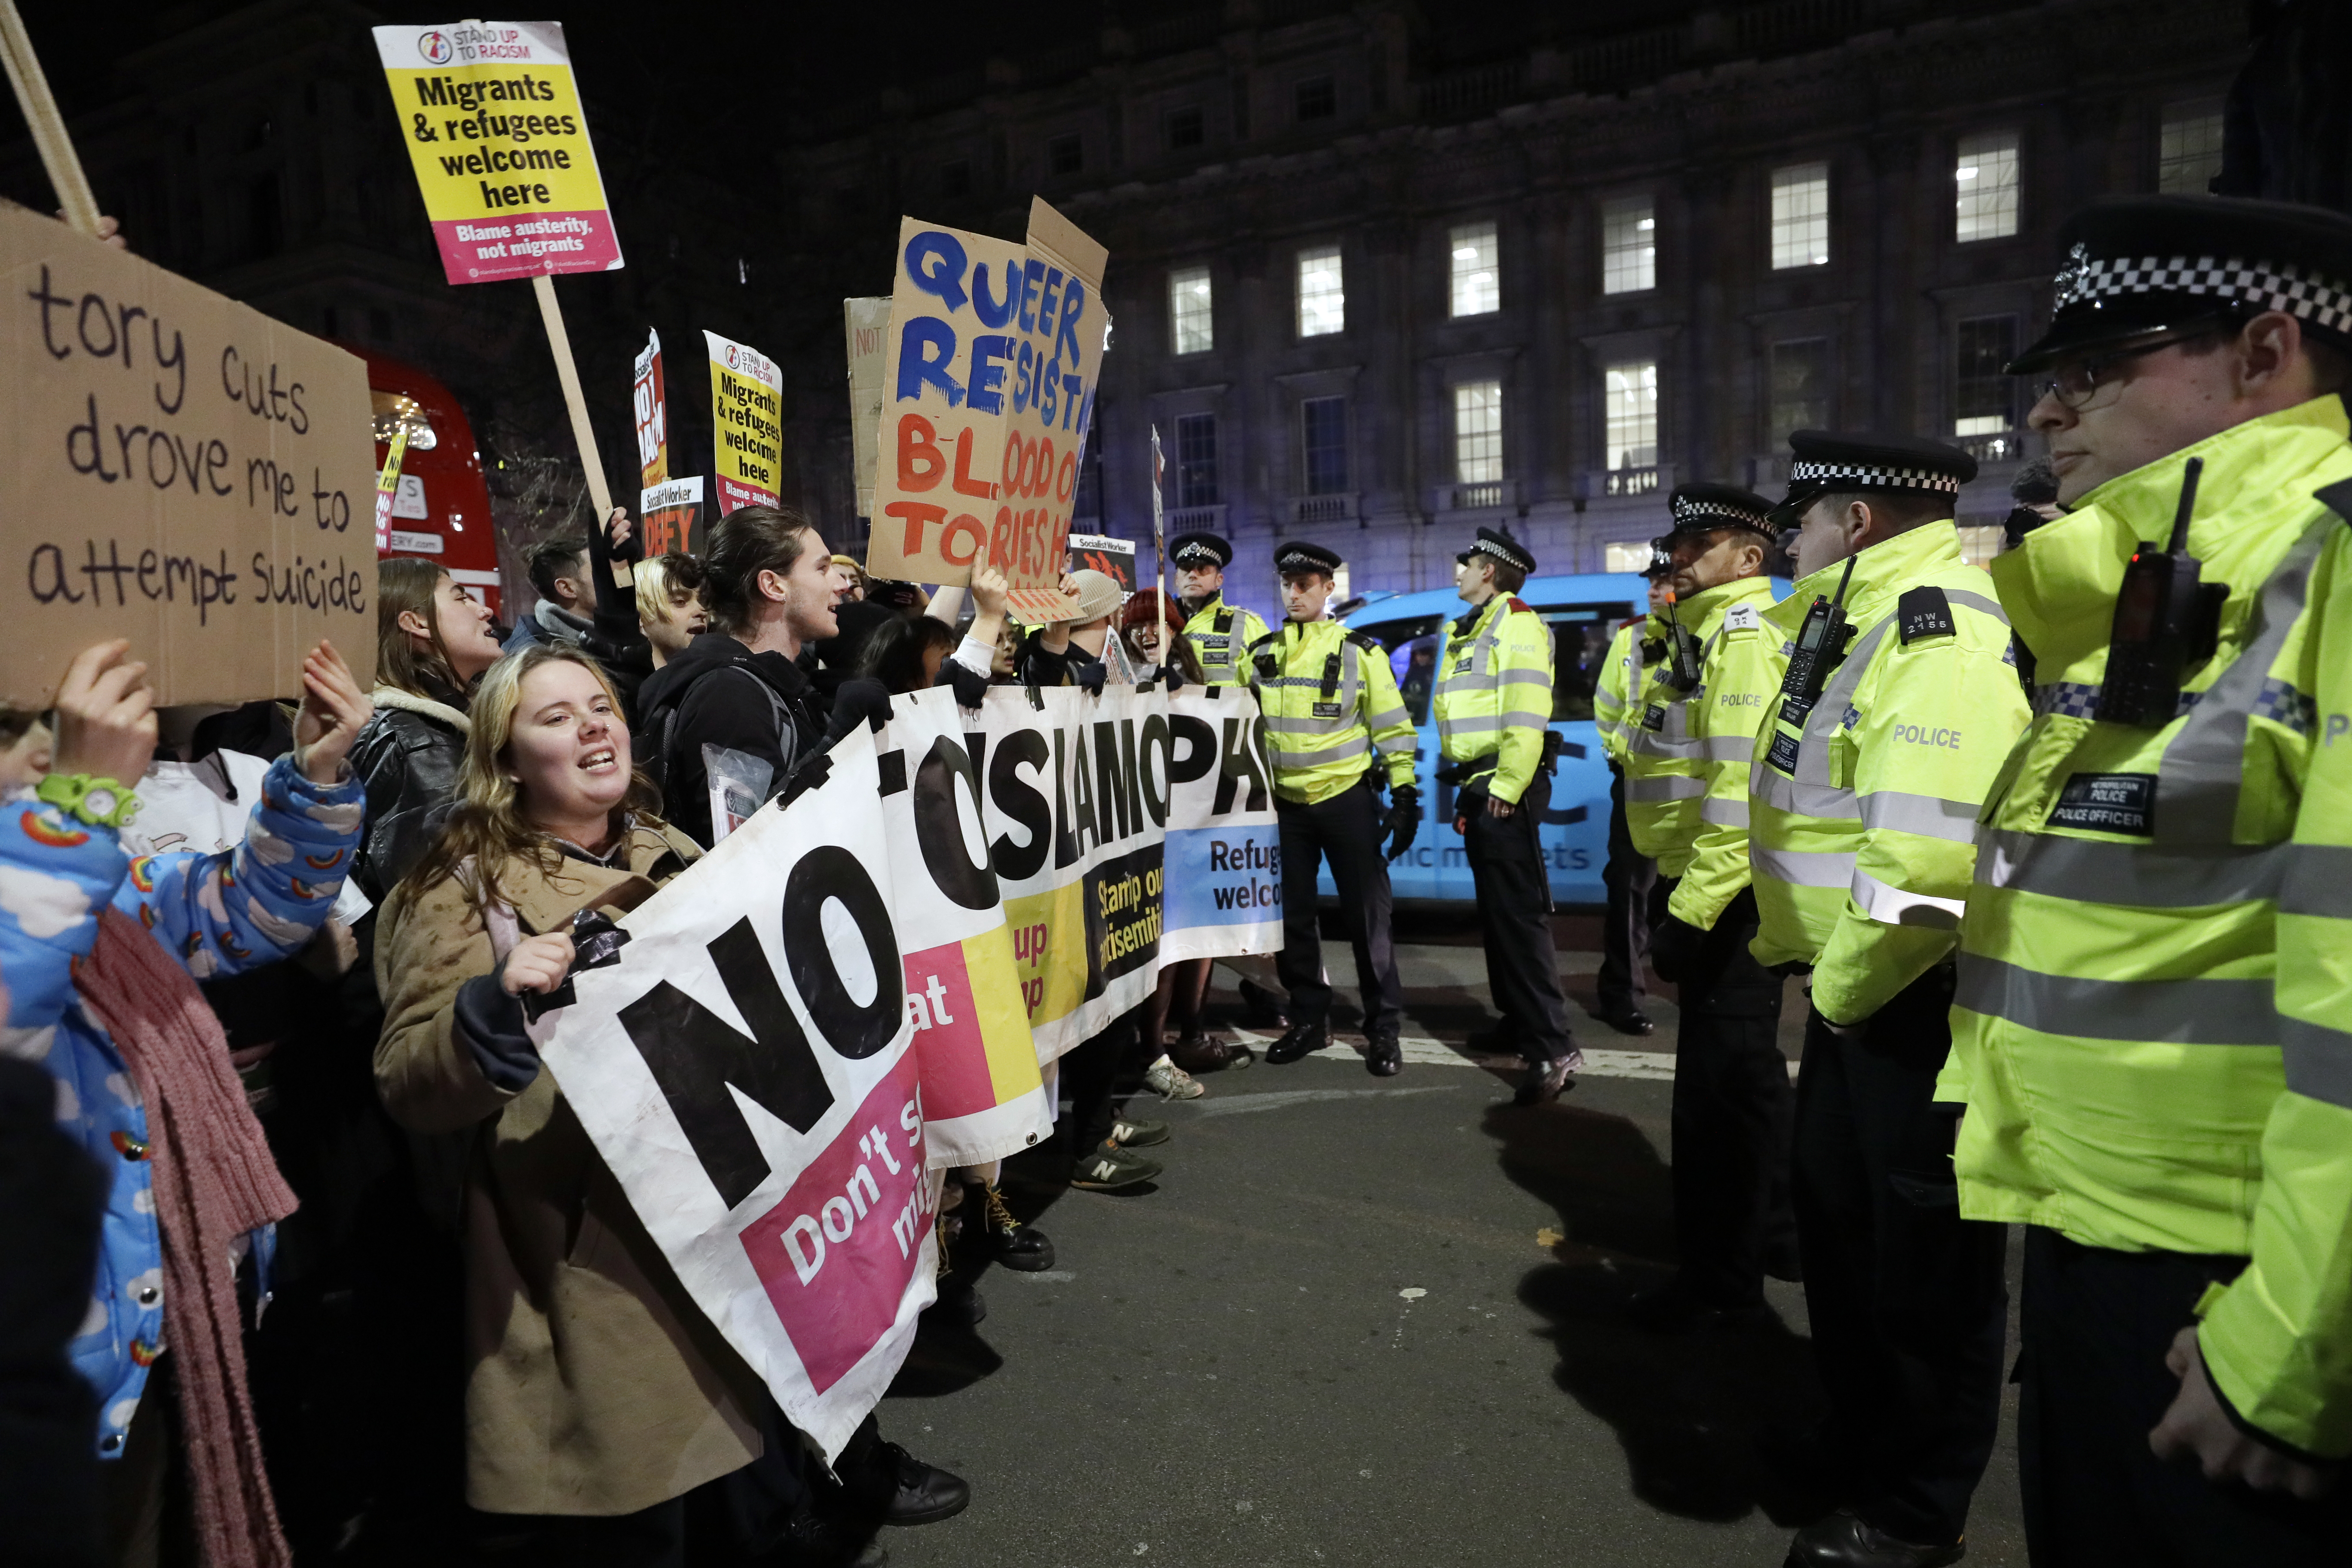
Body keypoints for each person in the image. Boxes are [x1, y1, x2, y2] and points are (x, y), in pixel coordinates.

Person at [1945, 193, 2352, 1562]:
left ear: (2265, 350)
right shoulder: (2151, 574)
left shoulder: (2330, 563)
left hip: (2241, 1283)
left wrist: (2293, 1342)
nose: (2052, 414)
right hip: (2098, 1225)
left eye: (2096, 369)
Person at [374, 643, 967, 1561]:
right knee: (648, 1524)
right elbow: (408, 1079)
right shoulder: (463, 887)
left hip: (734, 1235)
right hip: (597, 1270)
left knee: (746, 1491)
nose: (592, 726)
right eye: (555, 717)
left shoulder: (676, 849)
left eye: (600, 706)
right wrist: (484, 1013)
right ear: (504, 760)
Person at [2, 637, 369, 1567]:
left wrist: (316, 777)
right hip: (45, 1389)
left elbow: (249, 912)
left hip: (150, 1340)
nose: (49, 741)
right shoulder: (59, 865)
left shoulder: (88, 881)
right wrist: (80, 807)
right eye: (16, 726)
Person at [1745, 432, 2023, 1568]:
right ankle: (1861, 1441)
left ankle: (1917, 1507)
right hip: (1858, 998)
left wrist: (1845, 999)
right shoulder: (1852, 618)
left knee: (1925, 1276)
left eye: (1800, 521)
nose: (1786, 542)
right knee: (1848, 1243)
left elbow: (1925, 865)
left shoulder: (1939, 627)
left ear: (1854, 522)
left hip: (1909, 1001)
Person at [1623, 483, 1799, 1330]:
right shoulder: (1698, 639)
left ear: (1749, 558)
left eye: (1698, 543)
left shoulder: (1738, 642)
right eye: (1679, 543)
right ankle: (1776, 1233)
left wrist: (1688, 918)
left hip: (1723, 897)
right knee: (1749, 1084)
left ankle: (1720, 1285)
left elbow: (1739, 801)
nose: (1679, 558)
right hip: (1713, 884)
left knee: (1718, 1101)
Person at [1246, 541, 1419, 1075]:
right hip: (1287, 808)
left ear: (1328, 589)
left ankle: (1384, 1030)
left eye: (1305, 585)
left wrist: (1405, 793)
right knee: (1295, 921)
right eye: (1287, 584)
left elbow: (1392, 728)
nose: (1294, 594)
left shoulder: (1360, 653)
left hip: (1346, 801)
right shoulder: (1260, 654)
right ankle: (1309, 1021)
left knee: (1369, 921)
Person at [1436, 524, 1581, 1104]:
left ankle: (1554, 1045)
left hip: (1503, 784)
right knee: (1498, 918)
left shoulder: (1516, 623)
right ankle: (1519, 1022)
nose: (1458, 572)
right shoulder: (1476, 626)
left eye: (1465, 563)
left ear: (1489, 571)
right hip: (1482, 783)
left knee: (1519, 921)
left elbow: (1527, 708)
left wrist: (1510, 783)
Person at [632, 505, 849, 848]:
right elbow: (746, 849)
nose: (841, 584)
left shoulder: (764, 685)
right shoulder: (728, 696)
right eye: (822, 569)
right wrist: (838, 740)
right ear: (773, 586)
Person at [1120, 591, 1240, 1087]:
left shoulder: (1194, 682)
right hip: (1149, 840)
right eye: (1140, 624)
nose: (1149, 633)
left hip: (1194, 834)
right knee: (1166, 947)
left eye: (1159, 623)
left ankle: (1192, 1034)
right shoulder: (1118, 679)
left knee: (1199, 939)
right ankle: (1152, 1054)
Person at [351, 558, 506, 906]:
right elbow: (445, 901)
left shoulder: (427, 728)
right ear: (416, 623)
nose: (484, 611)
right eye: (461, 598)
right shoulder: (416, 744)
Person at [1589, 554, 1671, 1037]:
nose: (1655, 590)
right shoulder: (1632, 636)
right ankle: (1622, 995)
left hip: (1697, 784)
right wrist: (1619, 753)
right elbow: (1608, 704)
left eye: (1665, 581)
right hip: (1639, 781)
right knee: (1629, 891)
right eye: (1653, 582)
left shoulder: (1713, 631)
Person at [1170, 530, 1270, 684]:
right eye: (1186, 569)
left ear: (1219, 580)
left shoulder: (1247, 623)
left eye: (1202, 569)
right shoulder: (1159, 624)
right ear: (1177, 579)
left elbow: (1269, 682)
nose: (1192, 575)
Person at [633, 549, 710, 669]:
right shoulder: (617, 684)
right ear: (640, 617)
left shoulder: (718, 680)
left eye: (703, 601)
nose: (701, 611)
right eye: (680, 602)